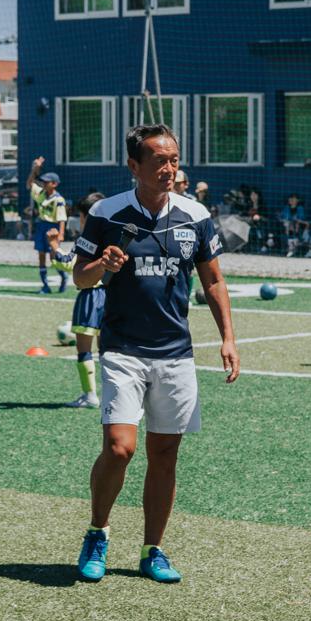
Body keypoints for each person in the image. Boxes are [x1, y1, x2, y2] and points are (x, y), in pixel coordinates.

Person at [71, 124, 240, 584]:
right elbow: (79, 278)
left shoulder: (195, 214)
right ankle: (97, 532)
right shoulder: (107, 213)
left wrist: (228, 336)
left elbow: (213, 280)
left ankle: (153, 550)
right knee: (119, 448)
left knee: (165, 453)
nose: (170, 169)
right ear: (134, 166)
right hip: (123, 349)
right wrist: (100, 266)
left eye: (174, 160)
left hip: (176, 353)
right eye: (159, 161)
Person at [49, 192, 106, 408]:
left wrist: (54, 246)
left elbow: (67, 263)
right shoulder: (112, 234)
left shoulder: (86, 239)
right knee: (107, 350)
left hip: (90, 295)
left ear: (85, 217)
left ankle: (90, 395)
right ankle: (111, 394)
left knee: (84, 348)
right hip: (112, 295)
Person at [26, 156, 68, 294]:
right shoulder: (41, 194)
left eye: (47, 182)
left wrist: (61, 234)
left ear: (55, 184)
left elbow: (62, 218)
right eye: (43, 181)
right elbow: (29, 184)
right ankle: (45, 285)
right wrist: (35, 169)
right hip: (41, 225)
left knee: (53, 257)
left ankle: (63, 277)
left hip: (52, 228)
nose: (43, 184)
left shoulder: (59, 199)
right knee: (41, 255)